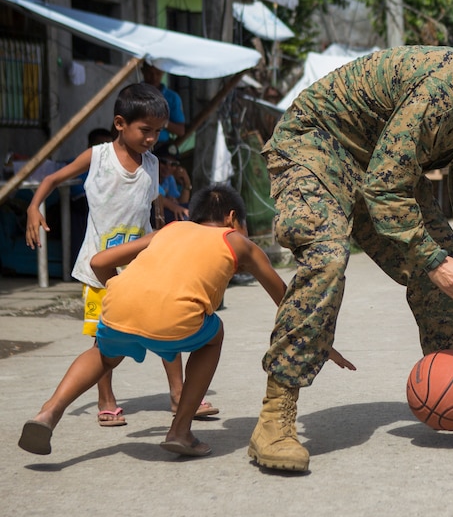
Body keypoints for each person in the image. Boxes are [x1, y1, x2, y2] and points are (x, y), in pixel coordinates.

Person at [250, 28, 453, 472]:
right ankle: (274, 417)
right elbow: (386, 187)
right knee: (328, 256)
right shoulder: (446, 87)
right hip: (316, 143)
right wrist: (429, 261)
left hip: (375, 162)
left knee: (446, 251)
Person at [17, 185, 355, 457]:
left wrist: (123, 292)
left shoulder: (172, 229)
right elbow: (287, 301)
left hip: (119, 305)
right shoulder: (239, 243)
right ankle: (180, 430)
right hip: (178, 321)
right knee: (214, 334)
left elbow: (100, 260)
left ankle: (48, 412)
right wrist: (321, 343)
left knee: (104, 354)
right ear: (232, 218)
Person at [24, 83, 200, 426]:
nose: (152, 139)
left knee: (169, 324)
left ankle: (179, 395)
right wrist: (34, 206)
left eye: (158, 132)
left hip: (143, 265)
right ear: (120, 123)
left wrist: (166, 215)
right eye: (145, 130)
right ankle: (106, 398)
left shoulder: (151, 163)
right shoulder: (98, 157)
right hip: (99, 266)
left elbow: (150, 201)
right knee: (104, 335)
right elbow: (52, 179)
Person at [142, 62, 187, 146]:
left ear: (163, 72)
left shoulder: (172, 97)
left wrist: (161, 122)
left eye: (158, 73)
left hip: (160, 147)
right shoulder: (133, 93)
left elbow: (181, 131)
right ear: (142, 71)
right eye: (149, 73)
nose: (154, 77)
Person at [153, 146, 191, 223]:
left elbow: (181, 203)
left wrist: (186, 184)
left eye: (173, 164)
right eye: (164, 162)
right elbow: (155, 196)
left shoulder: (169, 178)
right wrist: (174, 206)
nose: (168, 167)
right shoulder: (149, 175)